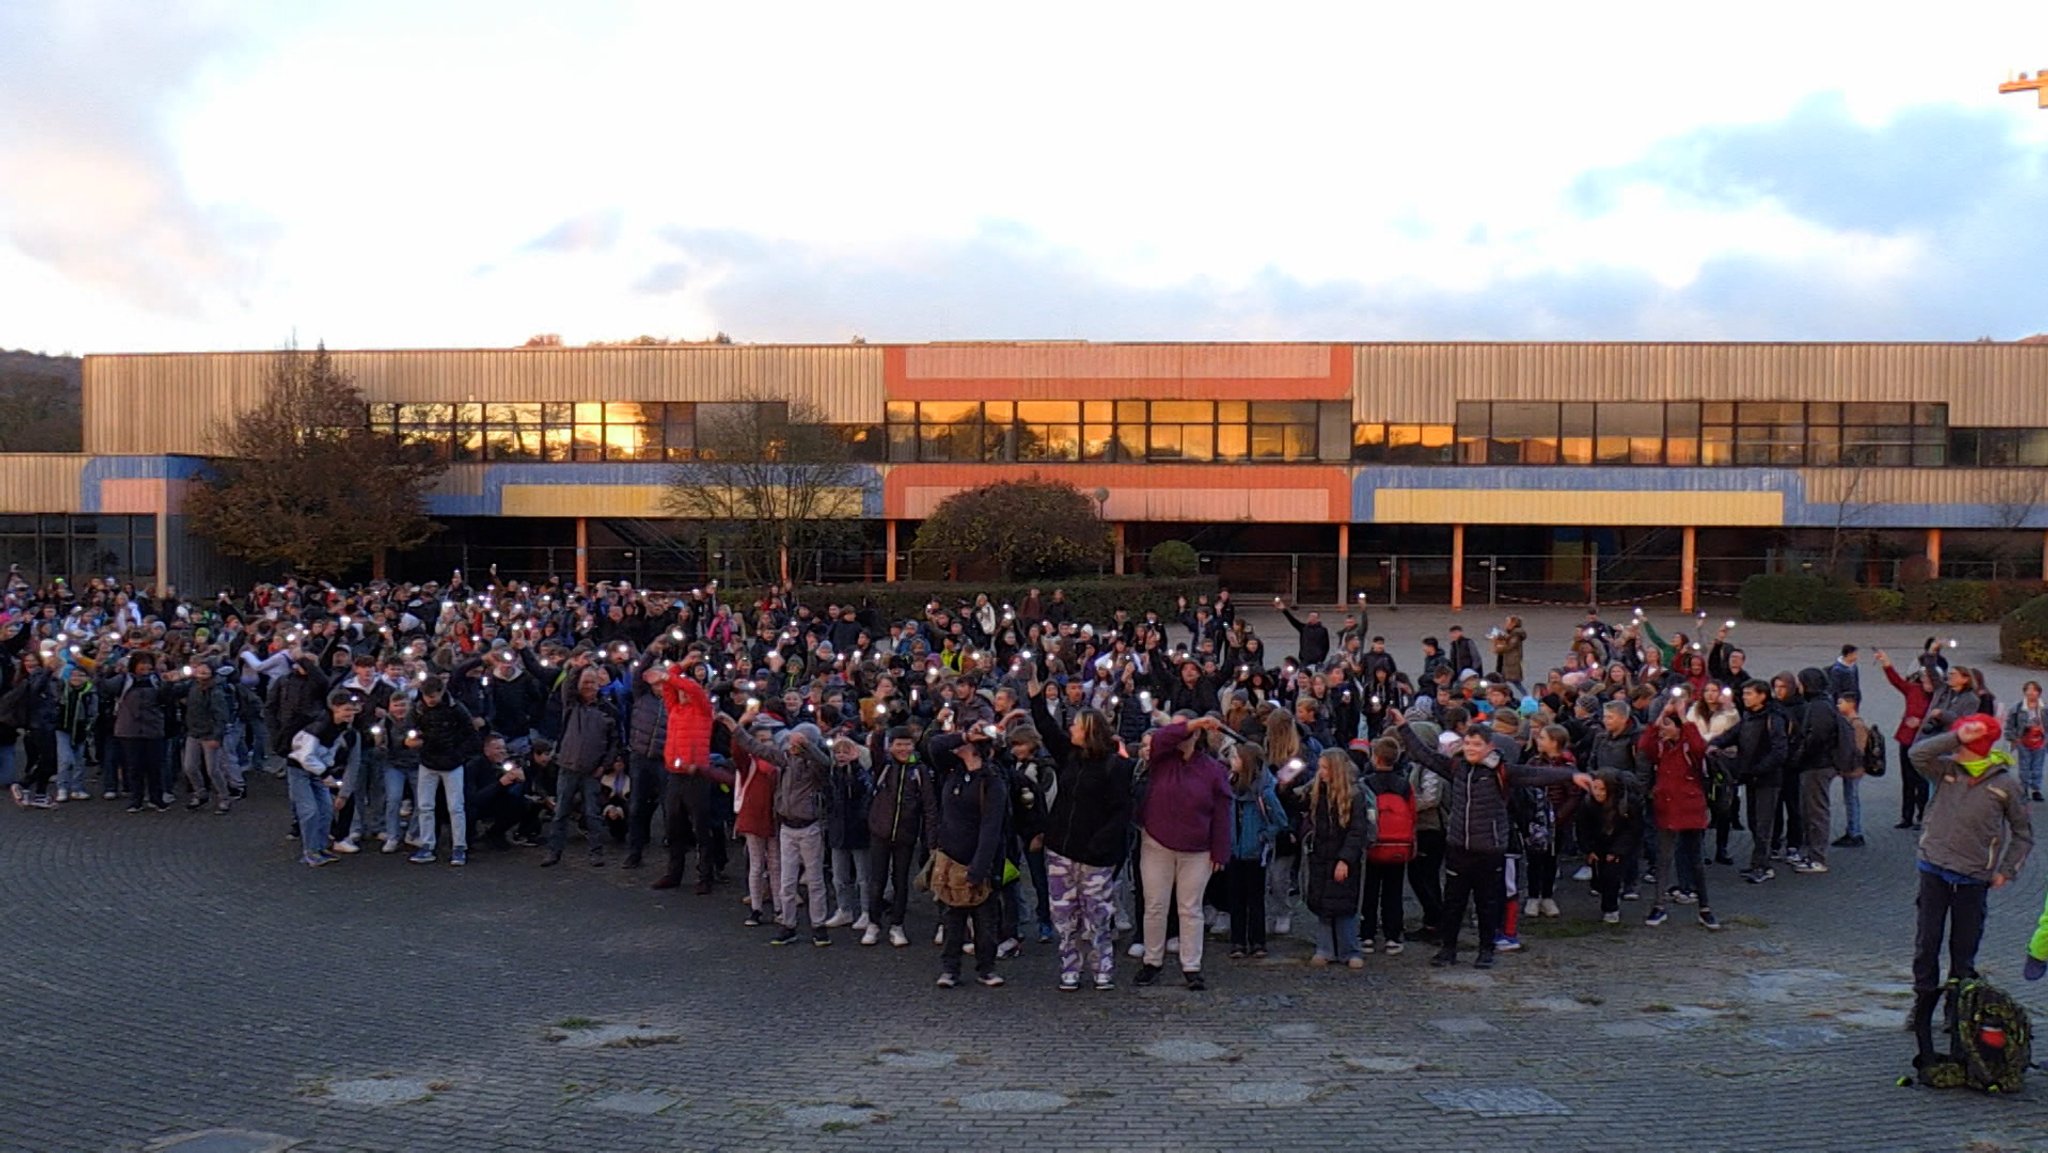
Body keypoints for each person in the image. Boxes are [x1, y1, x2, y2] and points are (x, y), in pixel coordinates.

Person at [1391, 713, 1590, 968]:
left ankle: (1486, 950)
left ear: (1489, 748)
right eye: (1468, 744)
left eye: (1477, 745)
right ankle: (1448, 949)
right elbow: (1424, 755)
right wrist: (1403, 727)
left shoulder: (1503, 772)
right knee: (1454, 903)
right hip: (1458, 846)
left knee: (1488, 903)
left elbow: (1536, 774)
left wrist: (1571, 776)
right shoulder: (1457, 767)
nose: (1472, 749)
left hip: (1489, 848)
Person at [1905, 715, 2034, 1074]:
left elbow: (2023, 833)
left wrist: (2006, 870)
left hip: (1973, 877)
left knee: (1963, 949)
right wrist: (1954, 736)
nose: (1959, 744)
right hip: (1933, 867)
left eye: (1967, 738)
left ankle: (1957, 1010)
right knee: (1926, 942)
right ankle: (1923, 1004)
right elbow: (1917, 754)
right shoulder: (1945, 768)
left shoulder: (2006, 784)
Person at [1033, 701, 1133, 991]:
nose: (1071, 729)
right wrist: (1036, 694)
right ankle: (1069, 967)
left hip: (1095, 856)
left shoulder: (1114, 766)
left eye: (1076, 725)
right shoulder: (1070, 757)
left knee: (1097, 915)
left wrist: (1100, 844)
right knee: (1064, 916)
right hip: (1061, 850)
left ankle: (1102, 966)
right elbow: (1048, 730)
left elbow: (1121, 811)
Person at [1134, 715, 1233, 991]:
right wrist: (1194, 722)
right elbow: (1162, 738)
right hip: (1157, 842)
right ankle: (1152, 960)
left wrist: (1220, 850)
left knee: (1190, 909)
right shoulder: (1161, 759)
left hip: (1198, 848)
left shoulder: (1213, 769)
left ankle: (1191, 965)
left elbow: (1223, 812)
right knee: (1155, 905)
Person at [927, 728, 1007, 988]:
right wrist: (962, 736)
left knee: (985, 921)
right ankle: (950, 968)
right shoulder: (952, 771)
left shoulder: (992, 782)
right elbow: (934, 746)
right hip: (950, 858)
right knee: (952, 918)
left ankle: (986, 967)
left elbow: (991, 828)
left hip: (978, 859)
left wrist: (979, 867)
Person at [1637, 700, 1721, 930]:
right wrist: (1661, 716)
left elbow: (1699, 747)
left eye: (1667, 725)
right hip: (1666, 807)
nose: (1663, 729)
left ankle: (1704, 907)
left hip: (1689, 808)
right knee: (1663, 859)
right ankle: (1659, 905)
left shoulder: (1687, 746)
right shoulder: (1661, 747)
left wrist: (1684, 718)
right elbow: (1644, 745)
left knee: (1695, 860)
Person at [653, 653, 726, 892]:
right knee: (674, 827)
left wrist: (675, 674)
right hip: (675, 774)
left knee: (701, 828)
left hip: (697, 775)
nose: (681, 692)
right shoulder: (675, 708)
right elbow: (669, 685)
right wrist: (680, 665)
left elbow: (683, 686)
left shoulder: (703, 710)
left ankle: (705, 876)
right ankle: (674, 873)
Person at [543, 665, 621, 869]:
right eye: (585, 682)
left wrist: (604, 766)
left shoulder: (609, 710)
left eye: (592, 682)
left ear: (600, 684)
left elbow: (615, 742)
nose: (588, 686)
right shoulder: (571, 703)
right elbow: (567, 684)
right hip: (567, 766)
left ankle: (596, 852)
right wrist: (578, 665)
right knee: (560, 812)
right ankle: (554, 851)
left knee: (592, 813)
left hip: (592, 769)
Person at [1300, 748, 1371, 968]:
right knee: (1323, 904)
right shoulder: (1316, 792)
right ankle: (1325, 948)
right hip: (1320, 856)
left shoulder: (1355, 795)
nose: (1320, 772)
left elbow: (1357, 831)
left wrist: (1345, 859)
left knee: (1345, 906)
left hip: (1342, 856)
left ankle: (1349, 949)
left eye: (1324, 768)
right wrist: (1283, 786)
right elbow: (1294, 802)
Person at [863, 725, 931, 949]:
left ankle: (897, 924)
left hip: (906, 834)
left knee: (901, 881)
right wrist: (883, 722)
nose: (903, 749)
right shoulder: (884, 766)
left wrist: (931, 838)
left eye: (907, 744)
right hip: (880, 832)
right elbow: (875, 747)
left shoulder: (920, 771)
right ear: (890, 746)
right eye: (898, 744)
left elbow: (929, 806)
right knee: (877, 880)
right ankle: (873, 923)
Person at [1223, 741, 1288, 961]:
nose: (1231, 762)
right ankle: (1238, 940)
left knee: (1255, 899)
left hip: (1254, 853)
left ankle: (1258, 940)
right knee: (1235, 899)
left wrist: (1263, 836)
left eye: (1235, 758)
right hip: (1234, 851)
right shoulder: (1228, 785)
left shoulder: (1263, 791)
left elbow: (1280, 820)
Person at [287, 689, 361, 867]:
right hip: (300, 771)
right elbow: (306, 756)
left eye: (352, 710)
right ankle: (310, 852)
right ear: (335, 708)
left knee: (326, 810)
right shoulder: (320, 727)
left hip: (317, 771)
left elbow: (330, 751)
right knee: (310, 811)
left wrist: (326, 769)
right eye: (346, 710)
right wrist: (326, 773)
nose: (350, 714)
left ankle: (320, 847)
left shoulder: (340, 728)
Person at [408, 675, 477, 866]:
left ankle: (456, 846)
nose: (430, 700)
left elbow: (470, 735)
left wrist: (458, 754)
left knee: (454, 807)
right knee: (427, 806)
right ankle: (432, 844)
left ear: (441, 692)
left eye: (433, 696)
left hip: (446, 762)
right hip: (432, 761)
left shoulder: (451, 709)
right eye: (427, 696)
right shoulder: (427, 708)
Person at [1876, 648, 1938, 830]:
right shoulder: (1914, 690)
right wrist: (1886, 662)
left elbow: (1941, 720)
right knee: (1907, 779)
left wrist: (1920, 722)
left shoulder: (1939, 698)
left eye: (1929, 680)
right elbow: (1896, 681)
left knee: (1922, 780)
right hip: (1907, 739)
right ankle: (1906, 816)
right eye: (1924, 679)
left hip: (1925, 741)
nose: (1925, 682)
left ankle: (1922, 815)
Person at [1577, 768, 1641, 924]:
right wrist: (1588, 849)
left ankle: (1611, 908)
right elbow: (1583, 828)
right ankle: (1607, 898)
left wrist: (1618, 851)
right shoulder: (1588, 803)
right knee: (1599, 876)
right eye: (1595, 788)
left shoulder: (1628, 803)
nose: (1597, 793)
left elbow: (1633, 830)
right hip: (1598, 842)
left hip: (1620, 842)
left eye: (1602, 789)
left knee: (1613, 874)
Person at [2004, 681, 2046, 804]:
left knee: (2038, 765)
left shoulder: (2044, 708)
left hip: (2040, 741)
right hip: (2023, 740)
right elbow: (2009, 725)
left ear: (2039, 692)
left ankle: (2036, 789)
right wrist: (2012, 738)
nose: (2031, 692)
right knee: (2024, 766)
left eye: (2034, 690)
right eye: (2028, 689)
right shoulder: (2017, 708)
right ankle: (2024, 789)